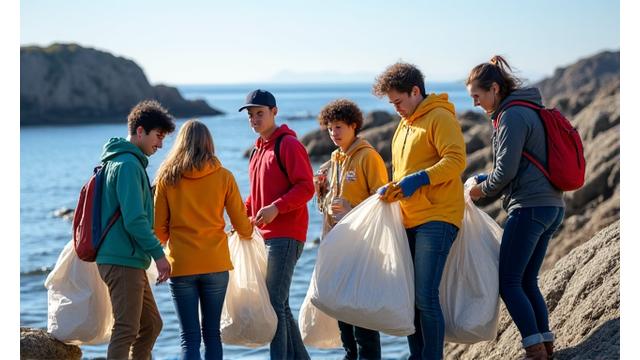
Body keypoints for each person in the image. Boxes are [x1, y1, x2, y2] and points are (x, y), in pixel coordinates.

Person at [466, 56, 565, 360]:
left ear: (494, 89)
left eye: (477, 96)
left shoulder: (511, 115)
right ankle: (545, 347)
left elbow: (506, 172)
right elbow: (519, 167)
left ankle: (534, 351)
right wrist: (488, 178)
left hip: (530, 208)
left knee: (509, 282)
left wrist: (481, 190)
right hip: (551, 206)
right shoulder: (529, 109)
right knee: (526, 280)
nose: (475, 103)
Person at [372, 62, 467, 360]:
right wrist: (393, 188)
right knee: (411, 300)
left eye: (398, 101)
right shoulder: (405, 123)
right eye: (392, 103)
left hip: (437, 217)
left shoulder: (439, 117)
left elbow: (456, 160)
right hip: (408, 218)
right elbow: (405, 171)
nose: (396, 108)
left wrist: (420, 178)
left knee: (425, 297)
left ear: (415, 91)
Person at [153, 119, 253, 360]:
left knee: (189, 337)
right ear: (209, 143)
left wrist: (173, 238)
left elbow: (158, 230)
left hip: (182, 264)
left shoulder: (167, 178)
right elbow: (243, 226)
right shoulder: (224, 177)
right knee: (212, 334)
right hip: (215, 263)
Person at [96, 99, 175, 360]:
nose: (161, 144)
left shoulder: (119, 161)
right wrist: (159, 255)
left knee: (151, 324)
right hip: (122, 259)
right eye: (158, 136)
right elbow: (134, 220)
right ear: (140, 131)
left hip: (127, 258)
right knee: (126, 329)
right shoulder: (128, 165)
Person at [239, 89, 315, 360]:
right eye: (250, 115)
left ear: (274, 112)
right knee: (279, 305)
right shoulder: (257, 151)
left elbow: (307, 187)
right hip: (263, 236)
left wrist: (277, 208)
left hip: (286, 234)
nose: (255, 119)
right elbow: (256, 194)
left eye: (260, 113)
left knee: (272, 304)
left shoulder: (288, 145)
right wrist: (241, 219)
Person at [314, 99, 388, 360]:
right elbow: (328, 206)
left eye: (339, 127)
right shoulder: (334, 160)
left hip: (363, 248)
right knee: (343, 317)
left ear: (354, 126)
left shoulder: (368, 157)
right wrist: (321, 194)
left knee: (362, 320)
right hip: (338, 246)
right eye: (330, 128)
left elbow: (383, 202)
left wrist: (351, 211)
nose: (333, 133)